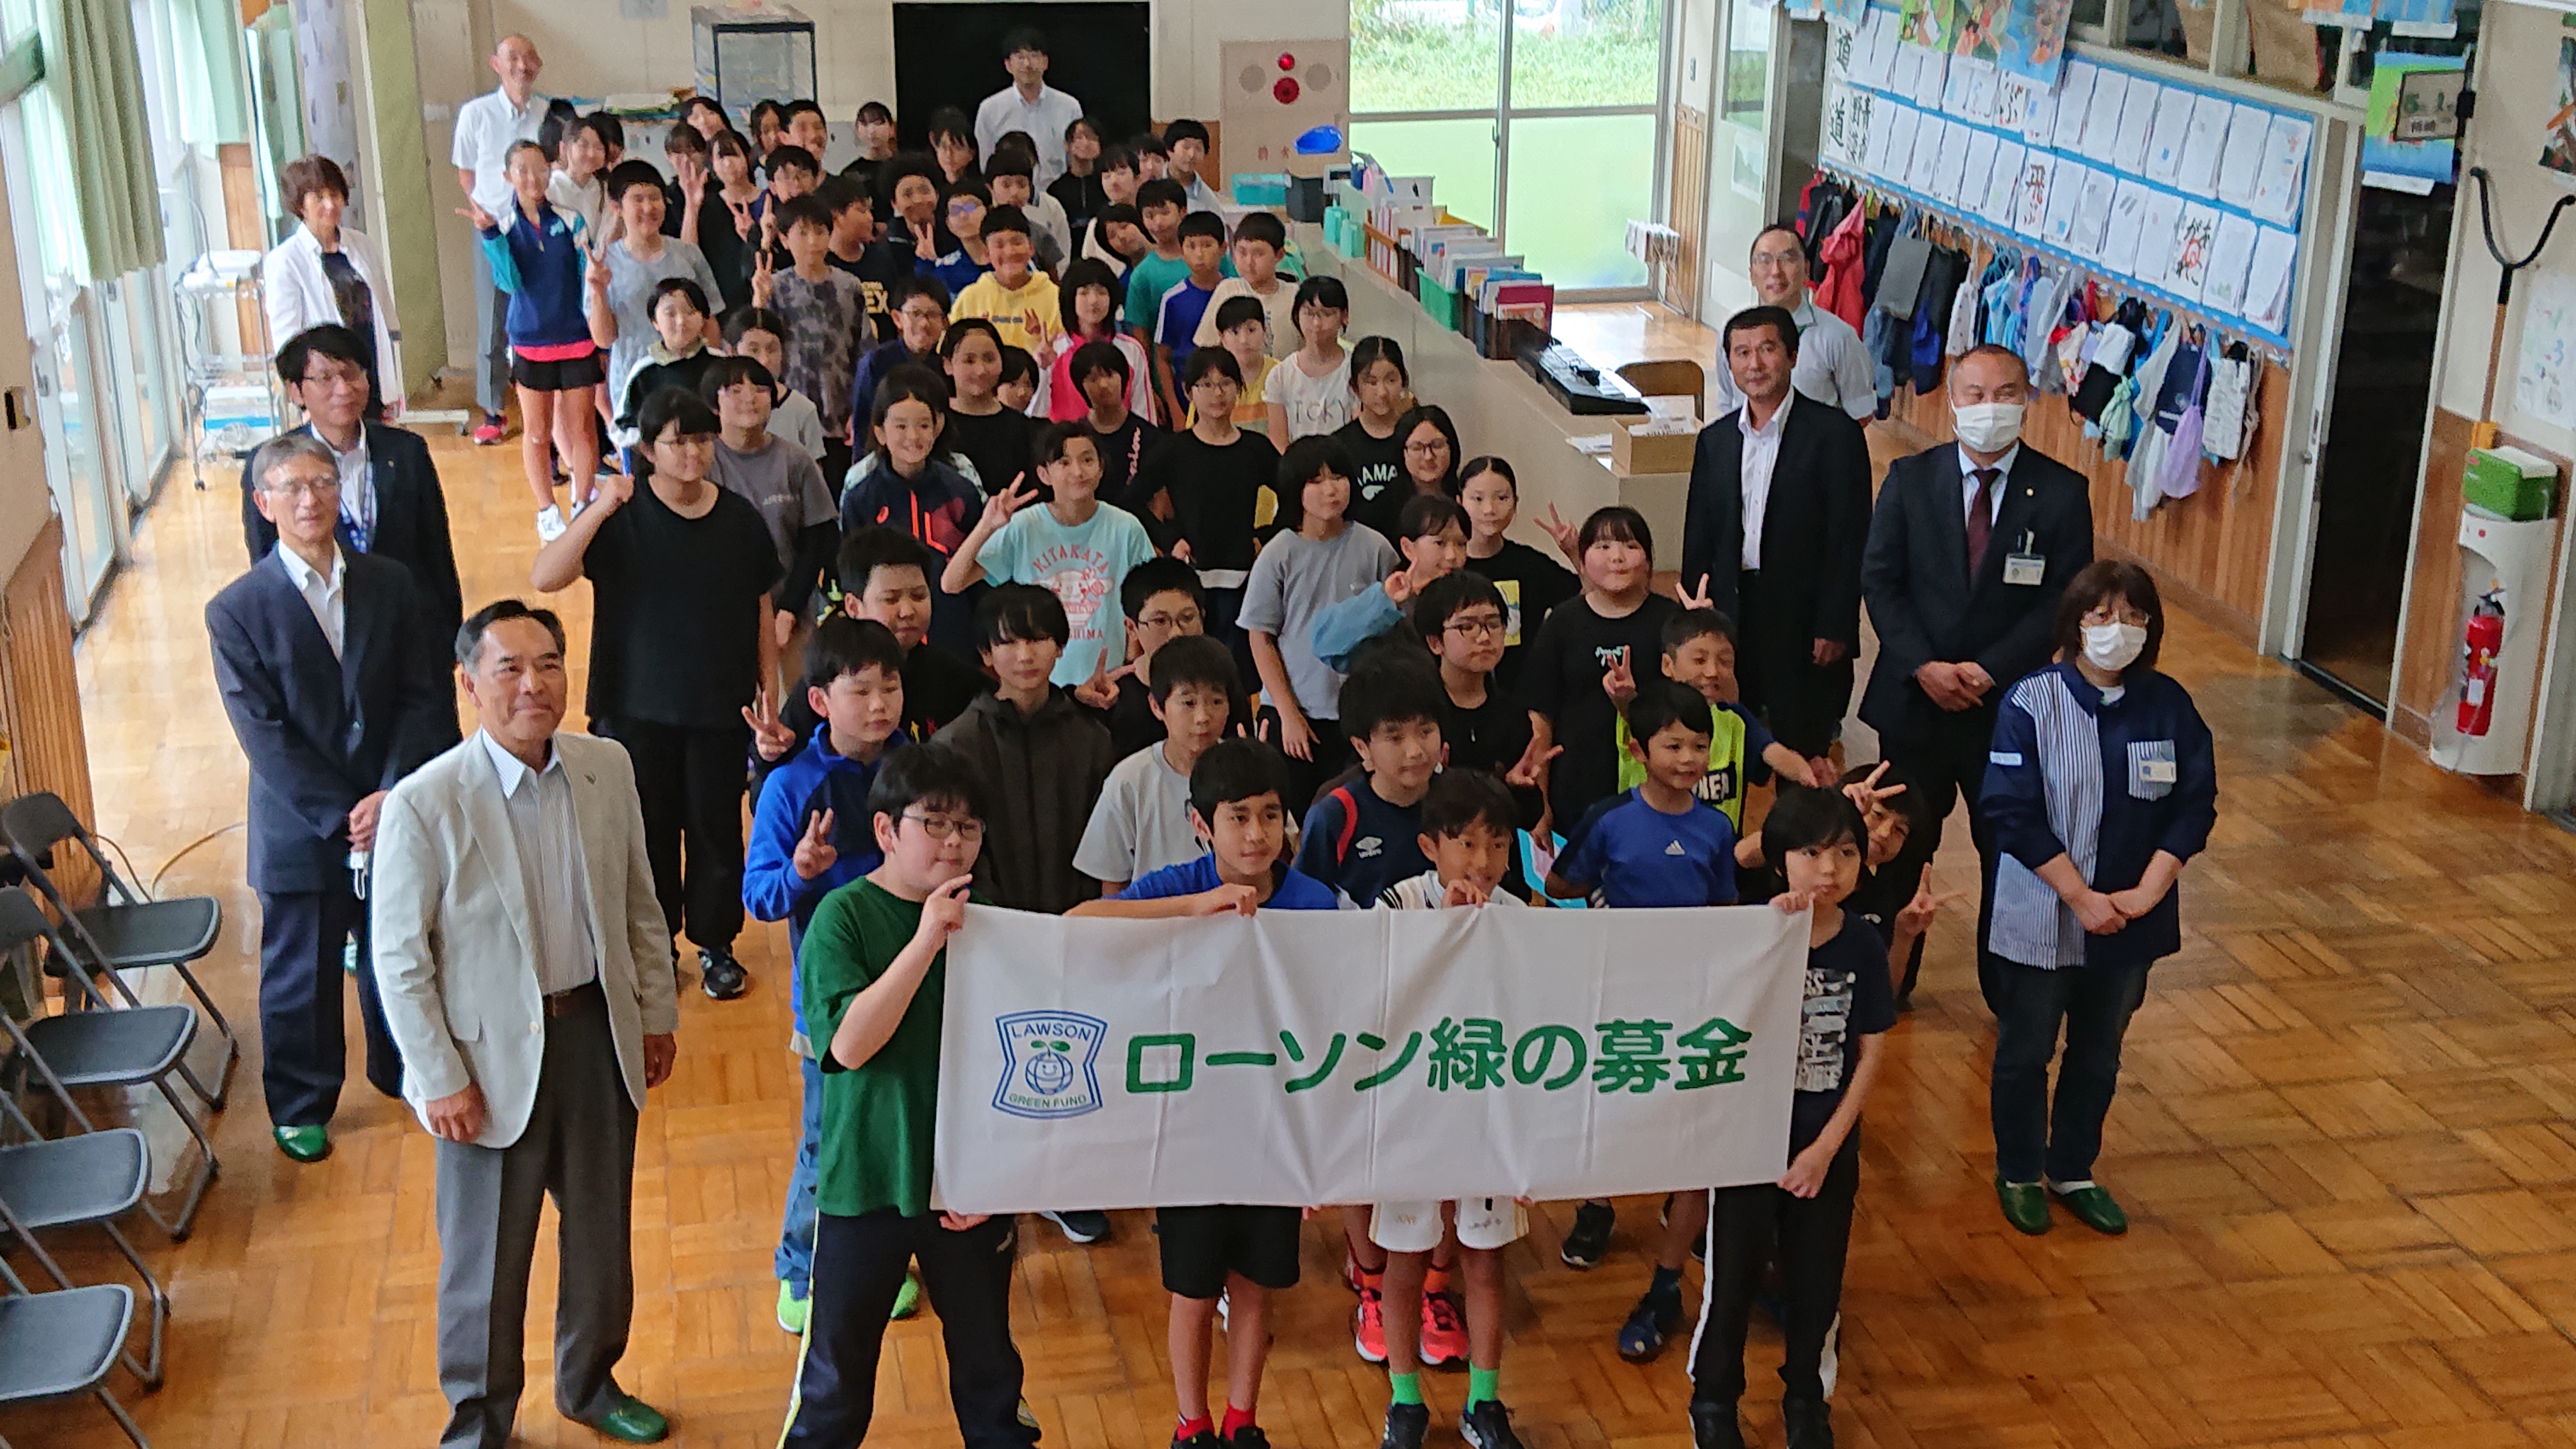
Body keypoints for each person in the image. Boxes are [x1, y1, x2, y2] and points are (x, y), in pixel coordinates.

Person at [371, 600, 680, 1449]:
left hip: (593, 1038)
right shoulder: (426, 802)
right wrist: (439, 1076)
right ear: (469, 684)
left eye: (547, 663)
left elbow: (639, 905)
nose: (532, 684)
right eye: (508, 668)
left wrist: (655, 1015)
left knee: (600, 1239)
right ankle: (478, 1422)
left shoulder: (605, 766)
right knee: (487, 1262)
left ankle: (588, 1385)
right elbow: (399, 960)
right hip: (484, 1062)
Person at [1067, 738, 1337, 1449]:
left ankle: (1244, 1418)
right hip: (1191, 1128)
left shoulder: (1314, 903)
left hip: (1274, 1129)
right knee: (1193, 1290)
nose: (1256, 835)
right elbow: (1077, 927)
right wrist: (1194, 908)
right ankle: (1193, 1423)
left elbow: (1346, 1008)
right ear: (1201, 825)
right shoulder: (1175, 885)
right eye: (1238, 818)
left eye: (1271, 817)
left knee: (1256, 1286)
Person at [775, 745, 1037, 1449]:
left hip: (968, 1186)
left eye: (970, 828)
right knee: (835, 1385)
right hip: (866, 1182)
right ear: (887, 831)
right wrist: (924, 941)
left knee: (991, 1374)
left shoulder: (994, 920)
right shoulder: (845, 917)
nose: (956, 843)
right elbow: (849, 1047)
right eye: (936, 824)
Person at [208, 433, 456, 1164]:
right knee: (302, 971)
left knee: (401, 950)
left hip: (393, 805)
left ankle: (402, 1072)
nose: (311, 500)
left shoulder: (391, 582)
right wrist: (340, 816)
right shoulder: (237, 610)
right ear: (264, 503)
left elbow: (423, 697)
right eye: (292, 488)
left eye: (322, 483)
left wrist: (391, 792)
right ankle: (301, 1103)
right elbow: (264, 735)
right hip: (300, 823)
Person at [1981, 560, 2216, 1237]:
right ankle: (2021, 1169)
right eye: (2103, 616)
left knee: (2099, 1053)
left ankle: (2073, 1167)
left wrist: (2148, 891)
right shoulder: (2032, 702)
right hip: (2043, 912)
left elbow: (2194, 804)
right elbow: (2011, 811)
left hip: (2131, 923)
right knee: (2027, 1050)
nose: (2119, 631)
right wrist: (2079, 895)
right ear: (2074, 624)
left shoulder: (2168, 705)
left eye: (2135, 617)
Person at [1859, 344, 2094, 1008]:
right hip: (1914, 700)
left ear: (2027, 400)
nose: (1990, 407)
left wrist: (1988, 672)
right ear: (1953, 400)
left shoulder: (2060, 493)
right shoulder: (1910, 479)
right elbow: (1881, 582)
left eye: (2006, 393)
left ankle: (2007, 989)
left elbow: (2063, 602)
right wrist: (1926, 666)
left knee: (2010, 849)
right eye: (1976, 393)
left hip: (2007, 706)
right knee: (1900, 841)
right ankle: (1891, 977)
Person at [531, 388, 782, 1002]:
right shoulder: (622, 516)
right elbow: (547, 576)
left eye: (701, 439)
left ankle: (717, 944)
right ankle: (656, 946)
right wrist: (595, 506)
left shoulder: (740, 518)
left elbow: (761, 610)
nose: (693, 453)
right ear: (648, 451)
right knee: (644, 831)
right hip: (634, 705)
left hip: (720, 704)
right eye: (678, 442)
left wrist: (769, 693)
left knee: (717, 828)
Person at [1686, 786, 1893, 1449]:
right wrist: (1767, 935)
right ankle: (1714, 1401)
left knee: (1817, 1282)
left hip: (1823, 1148)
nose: (1829, 870)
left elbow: (1870, 1053)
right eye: (1811, 853)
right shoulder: (1753, 930)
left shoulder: (1862, 943)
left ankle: (1807, 1396)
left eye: (1845, 853)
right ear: (1780, 860)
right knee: (1733, 1279)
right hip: (1746, 1144)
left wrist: (1826, 1148)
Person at [742, 617, 910, 1336]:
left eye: (892, 686)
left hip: (913, 987)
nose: (880, 704)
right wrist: (800, 871)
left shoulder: (917, 770)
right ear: (819, 701)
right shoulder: (791, 786)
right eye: (861, 689)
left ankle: (888, 1261)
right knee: (827, 1139)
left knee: (898, 1130)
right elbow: (758, 897)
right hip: (833, 1004)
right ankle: (799, 1266)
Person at [1370, 768, 1533, 1449]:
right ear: (1431, 846)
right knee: (1405, 1261)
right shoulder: (1396, 905)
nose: (1484, 861)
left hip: (1490, 1114)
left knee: (1485, 1262)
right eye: (1467, 843)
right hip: (1412, 1114)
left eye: (1498, 844)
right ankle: (1405, 1400)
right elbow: (1372, 997)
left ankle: (1485, 1402)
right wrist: (1444, 932)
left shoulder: (1520, 919)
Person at [1680, 306, 1873, 761]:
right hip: (1732, 607)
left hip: (1803, 616)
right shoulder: (1716, 439)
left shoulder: (1836, 435)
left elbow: (1850, 539)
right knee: (1727, 744)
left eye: (1766, 350)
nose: (1754, 365)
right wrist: (1695, 617)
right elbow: (1699, 533)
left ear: (1791, 354)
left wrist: (1835, 624)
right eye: (1741, 353)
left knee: (1802, 748)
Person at [242, 324, 464, 646]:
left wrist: (450, 635)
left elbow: (436, 549)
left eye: (352, 374)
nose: (344, 389)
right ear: (295, 391)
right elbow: (265, 562)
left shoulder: (407, 451)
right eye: (326, 379)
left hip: (407, 628)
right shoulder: (270, 464)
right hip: (322, 633)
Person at [930, 584, 1119, 920]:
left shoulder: (1092, 740)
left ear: (1061, 646)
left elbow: (1104, 840)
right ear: (986, 653)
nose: (1024, 655)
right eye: (1008, 642)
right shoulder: (956, 745)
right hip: (988, 926)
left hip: (1079, 924)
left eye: (1037, 639)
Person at [1240, 434, 1399, 807]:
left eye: (1339, 477)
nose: (1331, 490)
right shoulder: (1279, 553)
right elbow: (1260, 638)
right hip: (1296, 713)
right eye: (1316, 481)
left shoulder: (1376, 547)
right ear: (1296, 489)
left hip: (1359, 714)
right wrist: (1288, 713)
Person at [759, 527, 993, 776]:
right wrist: (772, 753)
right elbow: (772, 777)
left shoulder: (953, 678)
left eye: (918, 595)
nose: (907, 611)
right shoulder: (830, 681)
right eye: (891, 599)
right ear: (853, 606)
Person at [942, 422, 1155, 685]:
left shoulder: (1127, 528)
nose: (1078, 472)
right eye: (1064, 463)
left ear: (1101, 469)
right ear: (1044, 474)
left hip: (1110, 681)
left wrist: (1133, 659)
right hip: (1040, 686)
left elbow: (1151, 600)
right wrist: (987, 527)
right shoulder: (1023, 526)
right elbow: (952, 583)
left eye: (1087, 460)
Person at [463, 139, 601, 539]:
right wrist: (490, 238)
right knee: (538, 433)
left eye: (540, 168)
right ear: (508, 177)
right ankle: (546, 510)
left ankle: (582, 503)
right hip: (529, 342)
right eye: (522, 170)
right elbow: (509, 281)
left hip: (576, 338)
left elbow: (586, 279)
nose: (532, 178)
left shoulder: (571, 221)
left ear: (550, 170)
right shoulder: (502, 226)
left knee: (582, 430)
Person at [1521, 506, 1680, 837]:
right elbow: (1541, 718)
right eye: (1603, 547)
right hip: (1576, 783)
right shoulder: (1562, 623)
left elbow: (1705, 707)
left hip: (1654, 783)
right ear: (1582, 560)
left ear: (1649, 561)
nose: (1617, 558)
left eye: (1631, 546)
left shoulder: (1671, 621)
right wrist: (1541, 803)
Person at [1127, 349, 1277, 679]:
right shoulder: (1174, 449)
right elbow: (1132, 502)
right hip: (1191, 583)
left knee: (1240, 677)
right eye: (1206, 384)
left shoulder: (1255, 448)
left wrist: (1265, 538)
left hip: (1244, 581)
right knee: (1194, 674)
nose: (1217, 393)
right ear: (1189, 391)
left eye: (1226, 383)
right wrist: (1169, 541)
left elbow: (1294, 497)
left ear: (1238, 388)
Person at [1074, 632, 1239, 892]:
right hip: (1155, 925)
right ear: (1157, 707)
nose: (1203, 717)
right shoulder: (1129, 780)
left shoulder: (1247, 769)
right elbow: (1112, 886)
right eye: (1188, 703)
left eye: (1216, 702)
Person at [841, 365, 985, 654]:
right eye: (901, 426)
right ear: (880, 432)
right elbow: (852, 573)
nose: (913, 436)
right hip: (885, 637)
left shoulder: (962, 491)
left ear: (938, 427)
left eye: (923, 425)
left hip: (954, 632)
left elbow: (980, 570)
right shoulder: (862, 498)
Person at [706, 354, 839, 662]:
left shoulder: (796, 460)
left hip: (790, 611)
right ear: (714, 403)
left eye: (761, 389)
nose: (750, 398)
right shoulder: (703, 461)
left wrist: (789, 611)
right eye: (735, 390)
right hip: (721, 617)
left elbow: (818, 539)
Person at [452, 35, 550, 445]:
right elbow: (466, 173)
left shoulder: (548, 112)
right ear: (496, 63)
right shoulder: (475, 113)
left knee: (545, 310)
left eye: (530, 58)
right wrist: (483, 215)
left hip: (540, 225)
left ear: (539, 64)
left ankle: (547, 400)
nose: (522, 66)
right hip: (494, 227)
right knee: (494, 319)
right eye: (513, 58)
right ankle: (494, 410)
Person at [586, 161, 724, 437]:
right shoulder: (604, 261)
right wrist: (598, 290)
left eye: (655, 198)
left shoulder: (688, 255)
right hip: (636, 385)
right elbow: (603, 339)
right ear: (618, 208)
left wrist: (715, 376)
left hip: (691, 382)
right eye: (638, 199)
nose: (648, 208)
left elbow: (710, 321)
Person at [264, 155, 404, 417]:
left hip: (369, 367)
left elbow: (383, 309)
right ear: (300, 205)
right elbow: (287, 340)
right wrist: (303, 402)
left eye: (336, 195)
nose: (331, 205)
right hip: (326, 386)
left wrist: (393, 382)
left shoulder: (361, 244)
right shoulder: (284, 261)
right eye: (319, 198)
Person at [758, 195, 871, 485]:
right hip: (788, 414)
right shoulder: (776, 288)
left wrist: (859, 412)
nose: (813, 242)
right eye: (803, 233)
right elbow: (761, 353)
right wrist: (759, 301)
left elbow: (865, 352)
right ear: (784, 240)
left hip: (840, 414)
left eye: (820, 232)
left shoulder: (850, 287)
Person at [1710, 224, 1876, 421]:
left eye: (1788, 260)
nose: (1776, 271)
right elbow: (1729, 405)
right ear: (1752, 274)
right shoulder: (1733, 333)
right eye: (1765, 261)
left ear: (1806, 270)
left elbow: (1861, 413)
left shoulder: (1838, 337)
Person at [1100, 559, 1251, 759]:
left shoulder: (1223, 686)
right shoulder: (1112, 696)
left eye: (1187, 618)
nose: (1176, 634)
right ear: (1132, 628)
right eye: (1160, 621)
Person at [1310, 491, 1471, 673]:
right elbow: (1325, 644)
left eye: (1461, 544)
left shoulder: (1471, 598)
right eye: (1440, 543)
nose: (1452, 556)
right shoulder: (1391, 607)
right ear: (1408, 548)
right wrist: (1385, 600)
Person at [1456, 457, 1576, 698]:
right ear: (1459, 502)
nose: (1489, 510)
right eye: (1477, 499)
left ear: (1515, 503)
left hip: (1523, 695)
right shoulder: (1449, 566)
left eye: (1502, 498)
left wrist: (1574, 553)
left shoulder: (1530, 564)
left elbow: (1587, 599)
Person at [609, 278, 721, 441]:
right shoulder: (644, 372)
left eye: (690, 312)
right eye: (671, 314)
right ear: (655, 321)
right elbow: (625, 429)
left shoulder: (720, 363)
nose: (681, 321)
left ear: (704, 318)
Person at [849, 273, 951, 449]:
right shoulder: (876, 363)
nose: (924, 324)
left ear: (945, 323)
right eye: (916, 314)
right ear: (898, 319)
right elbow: (863, 425)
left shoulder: (947, 367)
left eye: (932, 315)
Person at [1043, 260, 1152, 423]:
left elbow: (1144, 415)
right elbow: (1036, 414)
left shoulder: (1131, 349)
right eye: (1084, 293)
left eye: (1101, 292)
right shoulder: (1054, 349)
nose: (1094, 300)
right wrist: (1042, 370)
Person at [975, 27, 1083, 188]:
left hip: (1059, 195)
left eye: (1034, 56)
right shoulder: (990, 109)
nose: (1027, 64)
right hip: (1011, 199)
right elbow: (987, 166)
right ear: (1008, 65)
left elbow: (1077, 161)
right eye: (1020, 57)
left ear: (1045, 62)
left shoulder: (1069, 106)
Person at [939, 318, 1036, 496]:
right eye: (969, 361)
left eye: (989, 359)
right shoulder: (935, 422)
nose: (981, 370)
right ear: (948, 365)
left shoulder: (1021, 427)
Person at [950, 205, 1061, 357]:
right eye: (999, 245)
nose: (1010, 252)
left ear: (1031, 248)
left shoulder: (1055, 297)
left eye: (1017, 243)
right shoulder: (970, 298)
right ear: (987, 254)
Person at [1150, 211, 1229, 425]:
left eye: (1207, 245)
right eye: (1192, 246)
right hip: (1188, 397)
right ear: (1182, 252)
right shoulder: (1173, 300)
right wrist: (1175, 410)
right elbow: (1163, 358)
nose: (1200, 254)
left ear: (1223, 248)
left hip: (1230, 394)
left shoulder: (1235, 292)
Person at [724, 306, 827, 464]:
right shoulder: (721, 406)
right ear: (732, 352)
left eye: (772, 350)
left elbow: (815, 475)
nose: (764, 360)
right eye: (754, 350)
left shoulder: (803, 410)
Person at [1337, 337, 1415, 540]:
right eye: (1371, 382)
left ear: (1404, 381)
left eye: (1391, 380)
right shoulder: (1339, 446)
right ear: (1355, 387)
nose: (1382, 393)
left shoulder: (1418, 441)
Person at [1192, 213, 1297, 359]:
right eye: (1242, 252)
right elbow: (1206, 349)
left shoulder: (1294, 297)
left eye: (1258, 254)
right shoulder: (1228, 290)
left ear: (1279, 255)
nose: (1249, 262)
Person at [1266, 275, 1354, 446]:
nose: (1316, 324)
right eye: (1309, 313)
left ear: (1344, 316)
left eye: (1327, 314)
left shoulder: (1354, 369)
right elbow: (1279, 441)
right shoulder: (1281, 376)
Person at [1071, 342, 1161, 504]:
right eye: (1093, 379)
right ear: (1081, 387)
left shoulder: (1150, 437)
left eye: (1111, 375)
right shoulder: (1073, 438)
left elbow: (1159, 501)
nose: (1104, 385)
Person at [819, 175, 904, 341]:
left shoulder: (883, 258)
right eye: (862, 210)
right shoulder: (822, 266)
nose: (870, 218)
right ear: (836, 217)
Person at [1121, 179, 1191, 348]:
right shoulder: (1142, 275)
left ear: (1183, 212)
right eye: (1150, 216)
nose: (1158, 222)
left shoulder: (1213, 257)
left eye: (1165, 213)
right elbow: (1141, 335)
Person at [986, 154, 1072, 274]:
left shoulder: (1040, 233)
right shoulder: (980, 229)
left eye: (1022, 185)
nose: (1015, 192)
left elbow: (1053, 279)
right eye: (1006, 185)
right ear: (990, 188)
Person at [1199, 297, 1276, 429]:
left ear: (1264, 330)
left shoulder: (1281, 374)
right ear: (1221, 337)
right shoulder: (1208, 383)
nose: (1244, 340)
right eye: (1235, 332)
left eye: (1252, 330)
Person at [543, 110, 613, 241]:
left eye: (599, 147)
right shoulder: (551, 186)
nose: (592, 154)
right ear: (565, 148)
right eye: (584, 146)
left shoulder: (603, 190)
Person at [1048, 116, 1108, 231]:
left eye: (1092, 138)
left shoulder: (1108, 183)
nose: (1086, 143)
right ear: (1067, 145)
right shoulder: (1056, 189)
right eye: (1080, 137)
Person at [1393, 404, 1461, 502]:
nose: (1429, 456)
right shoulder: (1384, 505)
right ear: (1403, 453)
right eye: (1417, 448)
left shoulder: (1468, 497)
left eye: (1437, 445)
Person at [1161, 118, 1223, 211]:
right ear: (1170, 150)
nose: (1192, 155)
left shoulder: (1207, 198)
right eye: (1186, 147)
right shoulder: (1153, 181)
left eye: (1198, 149)